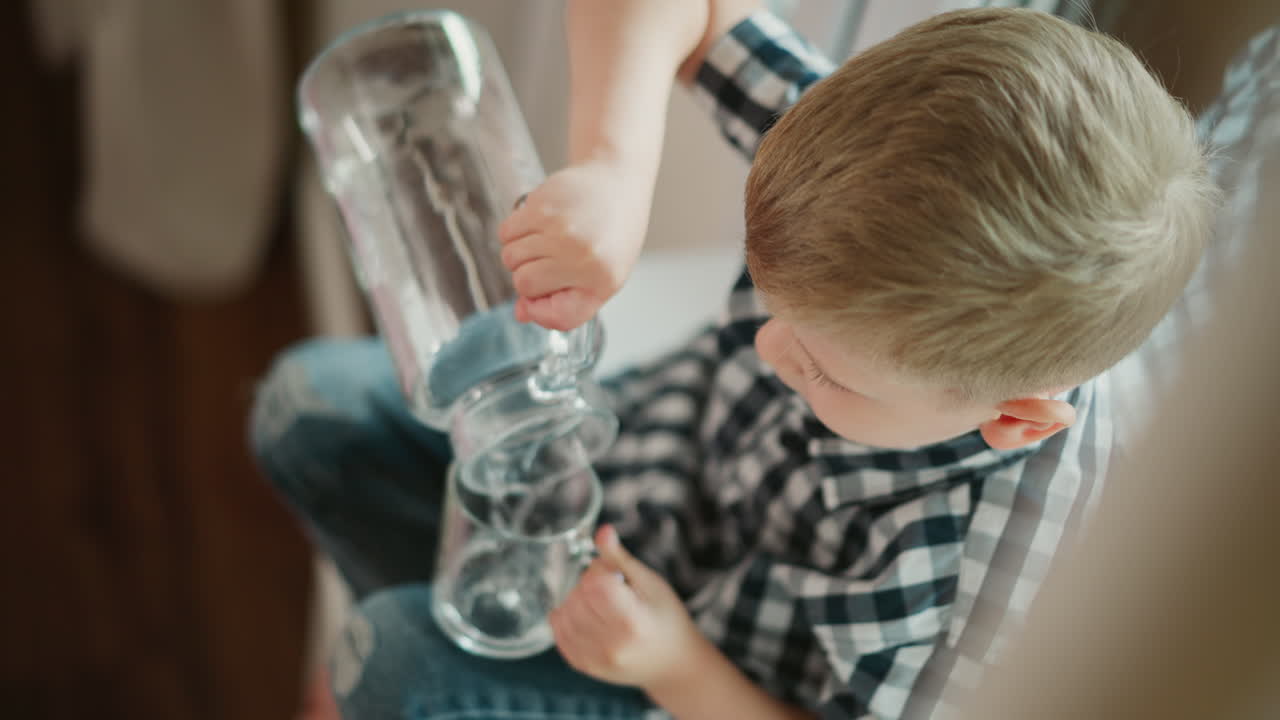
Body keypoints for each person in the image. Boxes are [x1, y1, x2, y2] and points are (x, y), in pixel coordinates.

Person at [250, 1, 1216, 718]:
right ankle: (451, 623)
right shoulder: (871, 177)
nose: (765, 344)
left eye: (829, 374)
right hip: (643, 471)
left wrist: (674, 665)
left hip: (700, 680)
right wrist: (612, 172)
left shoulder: (996, 571)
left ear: (1015, 418)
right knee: (304, 406)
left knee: (393, 664)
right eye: (766, 285)